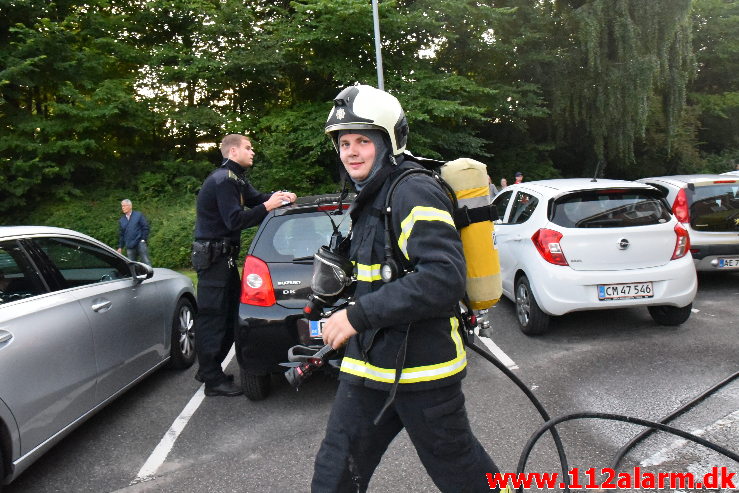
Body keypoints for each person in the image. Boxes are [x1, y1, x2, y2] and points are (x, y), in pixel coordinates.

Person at [312, 84, 500, 492]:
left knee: (462, 475)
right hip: (368, 368)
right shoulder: (371, 194)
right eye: (344, 143)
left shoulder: (412, 190)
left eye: (363, 140)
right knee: (334, 475)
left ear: (389, 141)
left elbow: (442, 278)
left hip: (424, 371)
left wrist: (356, 316)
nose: (351, 151)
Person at [192, 133, 296, 397]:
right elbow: (235, 221)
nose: (253, 152)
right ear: (233, 151)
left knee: (227, 317)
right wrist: (267, 205)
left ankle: (209, 371)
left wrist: (279, 197)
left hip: (223, 259)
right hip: (214, 260)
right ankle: (212, 379)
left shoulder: (235, 179)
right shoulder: (223, 181)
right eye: (248, 148)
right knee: (214, 318)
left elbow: (257, 198)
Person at [117, 199, 151, 265]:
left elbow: (145, 227)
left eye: (124, 206)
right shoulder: (122, 220)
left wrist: (143, 239)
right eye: (122, 206)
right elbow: (122, 234)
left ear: (130, 206)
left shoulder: (138, 215)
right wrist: (120, 247)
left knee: (146, 261)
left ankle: (150, 274)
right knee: (131, 265)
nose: (123, 208)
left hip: (140, 243)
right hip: (129, 245)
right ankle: (135, 275)